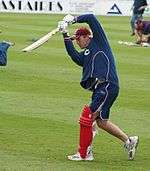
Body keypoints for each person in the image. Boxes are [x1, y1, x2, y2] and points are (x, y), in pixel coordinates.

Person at [58, 14, 139, 161]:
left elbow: (91, 18)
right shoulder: (86, 54)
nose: (77, 42)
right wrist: (65, 33)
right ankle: (129, 141)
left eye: (78, 39)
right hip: (101, 88)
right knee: (101, 122)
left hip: (107, 85)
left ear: (87, 36)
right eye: (75, 40)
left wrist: (73, 19)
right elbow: (74, 56)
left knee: (87, 116)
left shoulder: (99, 42)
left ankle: (84, 153)